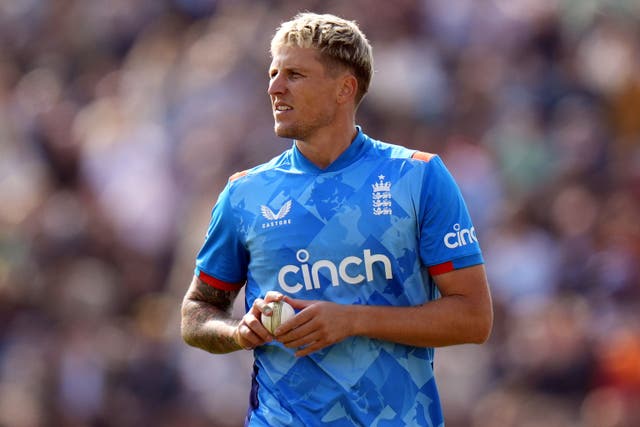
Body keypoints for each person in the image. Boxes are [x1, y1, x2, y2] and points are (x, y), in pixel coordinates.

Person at [181, 12, 493, 427]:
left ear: (344, 88)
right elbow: (197, 313)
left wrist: (353, 320)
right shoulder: (244, 194)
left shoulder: (417, 176)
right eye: (273, 74)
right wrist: (239, 332)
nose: (274, 88)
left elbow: (474, 318)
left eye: (294, 74)